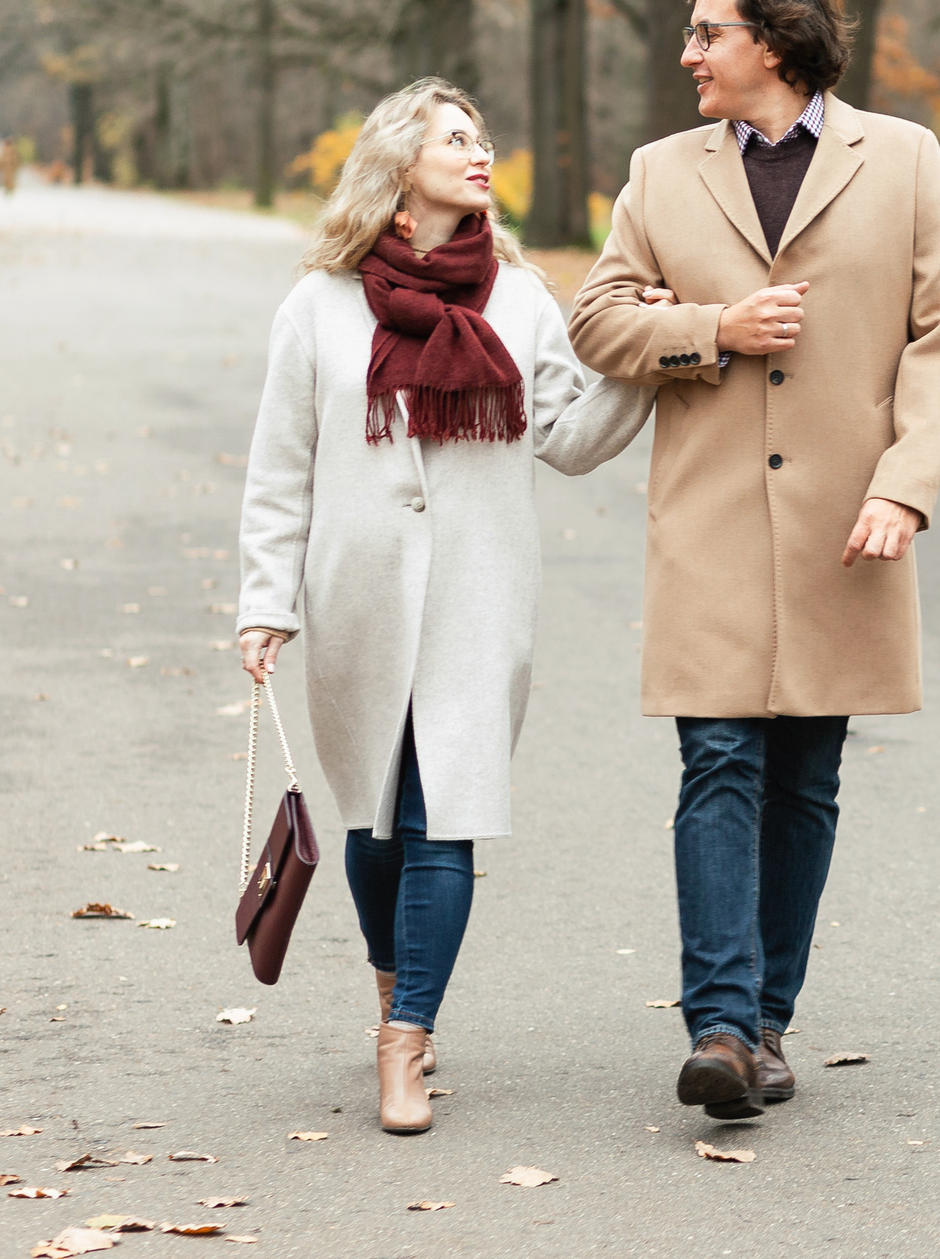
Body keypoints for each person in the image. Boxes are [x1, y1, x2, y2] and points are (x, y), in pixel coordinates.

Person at [568, 0, 940, 1120]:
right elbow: (594, 319)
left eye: (709, 32)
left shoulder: (902, 160)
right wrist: (714, 327)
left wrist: (905, 485)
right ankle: (721, 1026)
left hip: (847, 520)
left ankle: (769, 1024)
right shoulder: (659, 173)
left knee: (805, 775)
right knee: (718, 761)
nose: (688, 53)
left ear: (777, 42)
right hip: (708, 519)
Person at [235, 77, 655, 1135]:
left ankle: (405, 1036)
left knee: (443, 820)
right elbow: (281, 466)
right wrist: (263, 601)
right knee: (374, 825)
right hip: (358, 599)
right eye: (455, 139)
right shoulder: (319, 304)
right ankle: (394, 979)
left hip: (478, 595)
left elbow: (563, 434)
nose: (481, 154)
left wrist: (653, 361)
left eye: (483, 138)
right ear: (397, 164)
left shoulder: (517, 297)